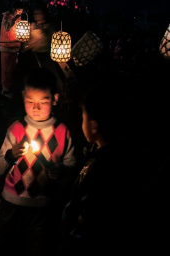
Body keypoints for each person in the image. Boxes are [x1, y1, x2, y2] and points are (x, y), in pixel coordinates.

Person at [0, 67, 76, 256]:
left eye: (42, 101)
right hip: (11, 204)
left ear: (55, 99)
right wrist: (10, 156)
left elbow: (72, 167)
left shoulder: (62, 133)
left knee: (38, 249)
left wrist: (60, 171)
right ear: (23, 96)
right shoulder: (17, 130)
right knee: (0, 245)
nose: (35, 108)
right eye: (30, 101)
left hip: (43, 208)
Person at [58, 83, 141, 255]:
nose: (82, 123)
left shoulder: (102, 168)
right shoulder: (110, 155)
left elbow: (88, 218)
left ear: (94, 125)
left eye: (83, 118)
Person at [0, 0, 23, 98]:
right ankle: (5, 89)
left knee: (12, 68)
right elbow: (7, 28)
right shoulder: (6, 17)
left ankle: (9, 86)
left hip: (15, 46)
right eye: (19, 10)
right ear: (13, 9)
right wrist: (15, 18)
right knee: (6, 69)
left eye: (21, 10)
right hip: (6, 47)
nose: (20, 12)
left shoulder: (20, 18)